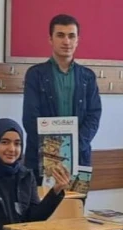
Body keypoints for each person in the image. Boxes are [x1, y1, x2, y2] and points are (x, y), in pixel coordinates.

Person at [22, 14, 102, 184]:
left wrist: (73, 148)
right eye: (60, 35)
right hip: (41, 158)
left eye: (71, 36)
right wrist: (54, 152)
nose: (66, 41)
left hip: (80, 158)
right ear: (50, 39)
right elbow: (30, 118)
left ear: (77, 40)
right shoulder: (35, 75)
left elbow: (94, 116)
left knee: (76, 201)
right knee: (41, 201)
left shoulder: (88, 77)